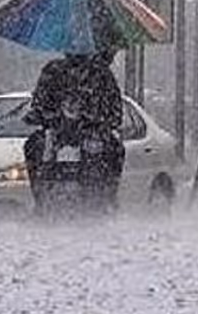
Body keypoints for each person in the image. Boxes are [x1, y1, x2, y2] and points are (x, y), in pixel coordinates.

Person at [23, 49, 125, 212]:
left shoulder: (101, 74)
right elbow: (39, 104)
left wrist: (98, 122)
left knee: (115, 149)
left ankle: (108, 196)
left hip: (92, 133)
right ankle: (40, 197)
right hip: (57, 132)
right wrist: (41, 116)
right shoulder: (53, 71)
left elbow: (115, 111)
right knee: (32, 145)